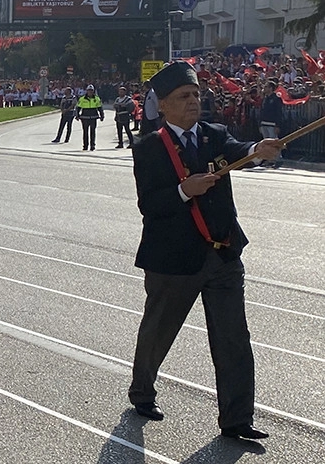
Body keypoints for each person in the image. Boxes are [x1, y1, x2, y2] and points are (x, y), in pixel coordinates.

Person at [128, 61, 282, 440]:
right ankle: (142, 391)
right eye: (184, 96)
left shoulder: (215, 135)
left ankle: (237, 418)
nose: (194, 101)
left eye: (196, 94)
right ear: (163, 105)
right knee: (158, 331)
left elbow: (238, 150)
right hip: (173, 262)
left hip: (223, 253)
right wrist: (184, 190)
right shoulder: (150, 147)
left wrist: (258, 149)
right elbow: (150, 204)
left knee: (233, 339)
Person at [259, 81, 283, 168]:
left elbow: (279, 112)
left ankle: (278, 159)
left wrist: (278, 125)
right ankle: (269, 159)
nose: (264, 88)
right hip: (264, 123)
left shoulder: (276, 98)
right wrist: (260, 123)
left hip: (272, 124)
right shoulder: (266, 98)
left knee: (274, 142)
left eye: (266, 87)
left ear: (271, 88)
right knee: (266, 143)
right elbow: (262, 111)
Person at [75, 84, 103, 151]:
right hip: (85, 117)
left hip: (93, 117)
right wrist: (77, 115)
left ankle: (92, 145)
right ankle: (85, 146)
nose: (90, 92)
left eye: (91, 90)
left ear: (93, 91)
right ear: (86, 91)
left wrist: (102, 115)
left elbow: (100, 108)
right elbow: (78, 108)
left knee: (93, 132)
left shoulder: (96, 98)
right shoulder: (82, 99)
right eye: (89, 90)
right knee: (85, 132)